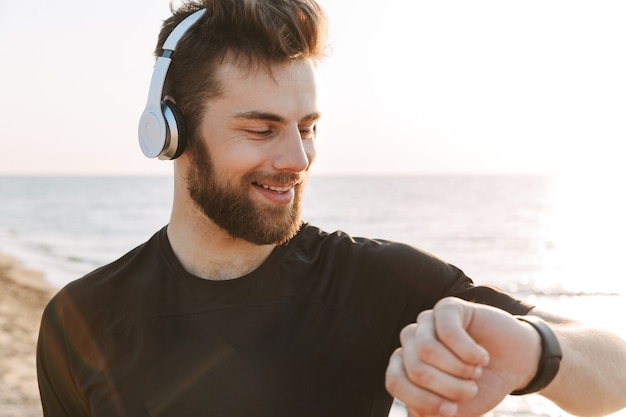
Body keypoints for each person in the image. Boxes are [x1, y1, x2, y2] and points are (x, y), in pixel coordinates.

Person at [36, 1, 626, 416]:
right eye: (261, 129)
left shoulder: (378, 283)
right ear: (170, 133)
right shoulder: (80, 319)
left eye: (308, 127)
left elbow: (616, 372)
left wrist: (532, 352)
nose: (297, 158)